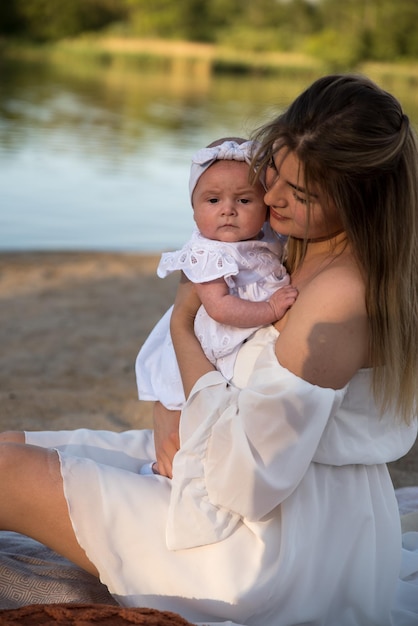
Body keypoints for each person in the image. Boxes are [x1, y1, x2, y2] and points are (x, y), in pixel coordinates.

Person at [1, 73, 418, 626]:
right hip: (238, 464)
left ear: (360, 200)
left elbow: (246, 482)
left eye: (302, 194)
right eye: (275, 171)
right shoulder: (298, 240)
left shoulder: (339, 294)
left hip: (266, 551)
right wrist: (165, 407)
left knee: (5, 469)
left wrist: (181, 327)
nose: (270, 199)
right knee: (12, 442)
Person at [136, 137, 296, 414]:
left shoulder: (268, 237)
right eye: (213, 200)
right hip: (216, 343)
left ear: (266, 208)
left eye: (244, 200)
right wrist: (270, 308)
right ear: (194, 209)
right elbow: (219, 307)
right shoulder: (207, 253)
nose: (228, 210)